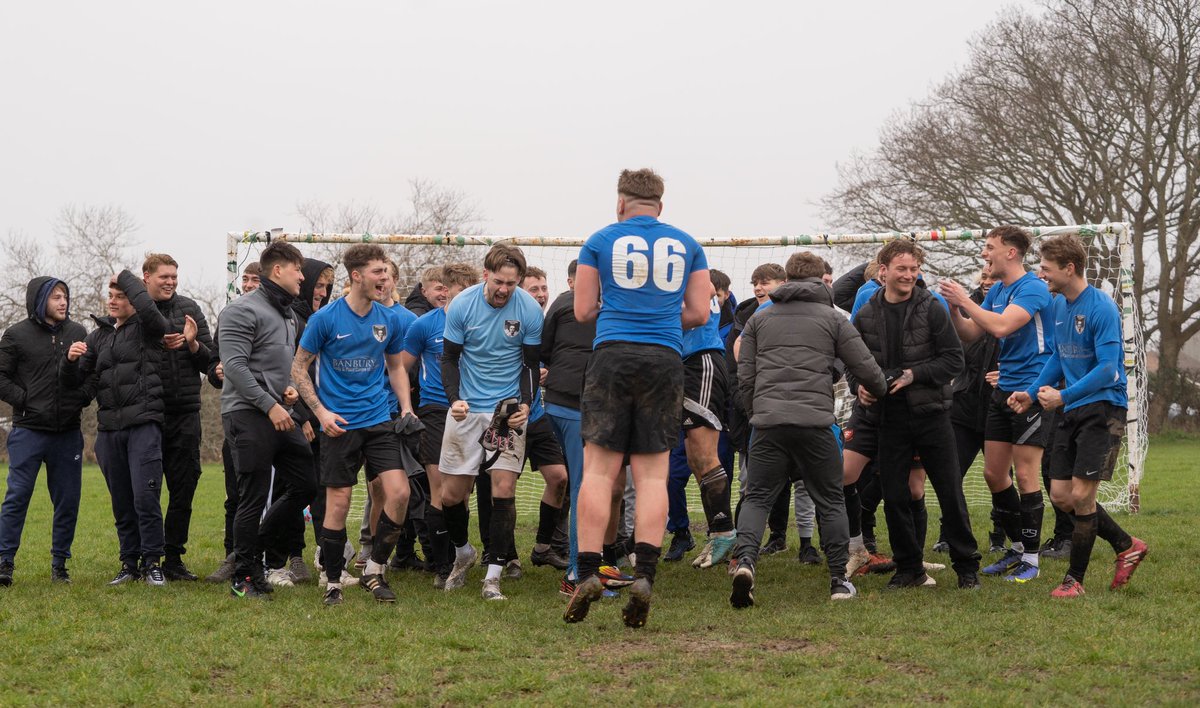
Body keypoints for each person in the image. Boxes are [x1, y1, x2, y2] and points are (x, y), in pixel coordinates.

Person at [563, 168, 711, 628]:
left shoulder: (600, 240)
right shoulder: (688, 244)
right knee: (651, 476)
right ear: (660, 206)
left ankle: (589, 570)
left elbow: (584, 309)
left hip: (611, 357)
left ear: (620, 202)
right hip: (664, 359)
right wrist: (661, 321)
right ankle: (644, 573)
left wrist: (623, 316)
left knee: (599, 472)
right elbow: (701, 312)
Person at [730, 251, 887, 606]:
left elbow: (746, 376)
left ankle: (746, 564)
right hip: (816, 423)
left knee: (756, 498)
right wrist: (880, 390)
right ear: (820, 281)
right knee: (830, 499)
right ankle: (837, 581)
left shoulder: (759, 319)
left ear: (787, 280)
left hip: (768, 423)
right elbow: (866, 367)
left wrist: (758, 412)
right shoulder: (833, 319)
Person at [1008, 235, 1147, 597]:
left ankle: (1074, 581)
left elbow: (1108, 371)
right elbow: (1057, 357)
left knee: (1083, 497)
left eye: (1046, 268)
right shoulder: (1057, 305)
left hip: (1102, 410)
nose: (1042, 274)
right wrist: (1033, 393)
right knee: (1061, 496)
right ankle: (1126, 545)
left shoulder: (1101, 308)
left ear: (1069, 268)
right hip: (1070, 408)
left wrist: (1063, 395)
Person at [293, 244, 416, 606]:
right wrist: (321, 412)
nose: (385, 279)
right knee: (339, 503)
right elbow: (298, 368)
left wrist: (406, 407)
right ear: (357, 276)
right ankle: (332, 581)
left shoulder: (388, 319)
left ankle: (374, 570)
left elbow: (395, 367)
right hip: (339, 424)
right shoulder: (326, 319)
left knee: (400, 493)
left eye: (386, 272)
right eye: (378, 272)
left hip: (379, 420)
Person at [855, 240, 980, 590]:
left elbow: (954, 360)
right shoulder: (865, 313)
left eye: (914, 269)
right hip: (888, 418)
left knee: (949, 493)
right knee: (894, 496)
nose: (909, 275)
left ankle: (966, 567)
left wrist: (914, 375)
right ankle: (909, 568)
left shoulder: (932, 307)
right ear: (884, 271)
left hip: (932, 415)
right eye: (902, 269)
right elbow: (854, 363)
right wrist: (859, 387)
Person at [940, 225, 1055, 584]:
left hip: (1031, 392)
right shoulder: (1000, 290)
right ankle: (1018, 548)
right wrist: (952, 309)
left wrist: (965, 300)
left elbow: (1003, 326)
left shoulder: (1032, 287)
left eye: (989, 247)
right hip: (1002, 392)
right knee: (993, 474)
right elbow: (973, 333)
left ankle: (1032, 559)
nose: (984, 254)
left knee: (1024, 475)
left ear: (1011, 252)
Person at [437, 244, 544, 601]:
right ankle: (463, 551)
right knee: (451, 496)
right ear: (486, 275)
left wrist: (526, 404)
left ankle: (493, 575)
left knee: (503, 490)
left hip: (505, 412)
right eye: (499, 282)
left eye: (512, 284)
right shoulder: (462, 305)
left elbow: (530, 364)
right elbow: (449, 358)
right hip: (467, 410)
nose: (504, 290)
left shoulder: (528, 309)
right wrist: (454, 399)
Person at [217, 241, 317, 599]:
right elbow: (235, 368)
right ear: (278, 270)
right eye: (297, 270)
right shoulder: (240, 311)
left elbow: (284, 367)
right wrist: (269, 405)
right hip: (247, 414)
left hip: (280, 410)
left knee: (307, 483)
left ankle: (252, 544)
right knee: (253, 496)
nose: (302, 277)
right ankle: (245, 578)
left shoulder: (289, 315)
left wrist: (289, 391)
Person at [65, 270, 175, 586]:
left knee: (145, 497)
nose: (112, 301)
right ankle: (129, 563)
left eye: (120, 295)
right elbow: (80, 388)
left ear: (134, 299)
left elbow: (153, 315)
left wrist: (126, 277)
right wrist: (69, 363)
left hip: (144, 425)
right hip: (109, 430)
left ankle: (153, 562)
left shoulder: (149, 329)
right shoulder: (97, 336)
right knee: (122, 503)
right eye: (110, 295)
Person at [0, 277, 90, 585]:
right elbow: (1, 376)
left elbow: (87, 375)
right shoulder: (16, 336)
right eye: (55, 297)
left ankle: (60, 565)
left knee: (67, 500)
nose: (63, 302)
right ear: (40, 301)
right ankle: (4, 562)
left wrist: (80, 398)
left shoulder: (78, 332)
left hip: (68, 433)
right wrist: (25, 400)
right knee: (17, 496)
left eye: (65, 296)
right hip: (28, 431)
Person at [402, 263, 477, 588]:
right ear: (445, 292)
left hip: (472, 412)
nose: (464, 300)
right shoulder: (424, 325)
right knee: (439, 491)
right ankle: (442, 565)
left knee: (460, 496)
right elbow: (399, 367)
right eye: (459, 293)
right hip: (434, 410)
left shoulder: (479, 323)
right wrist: (406, 407)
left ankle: (461, 556)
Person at [142, 253, 215, 582]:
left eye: (174, 276)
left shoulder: (190, 308)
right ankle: (147, 557)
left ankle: (173, 557)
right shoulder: (136, 310)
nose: (170, 281)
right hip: (148, 414)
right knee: (147, 489)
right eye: (164, 276)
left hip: (186, 414)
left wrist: (192, 343)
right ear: (146, 277)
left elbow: (212, 363)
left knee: (184, 487)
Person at [678, 271, 736, 571]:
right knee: (693, 456)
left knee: (704, 453)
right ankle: (717, 532)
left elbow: (695, 316)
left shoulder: (695, 282)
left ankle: (725, 531)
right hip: (686, 365)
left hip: (702, 363)